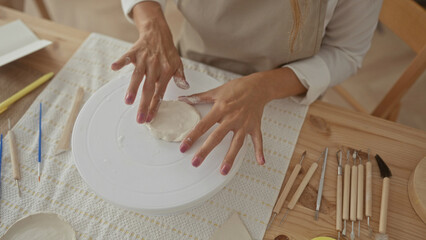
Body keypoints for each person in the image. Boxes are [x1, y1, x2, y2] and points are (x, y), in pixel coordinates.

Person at [112, 0, 382, 175]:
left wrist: (264, 86)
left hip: (285, 90)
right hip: (194, 68)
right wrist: (151, 21)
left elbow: (345, 52)